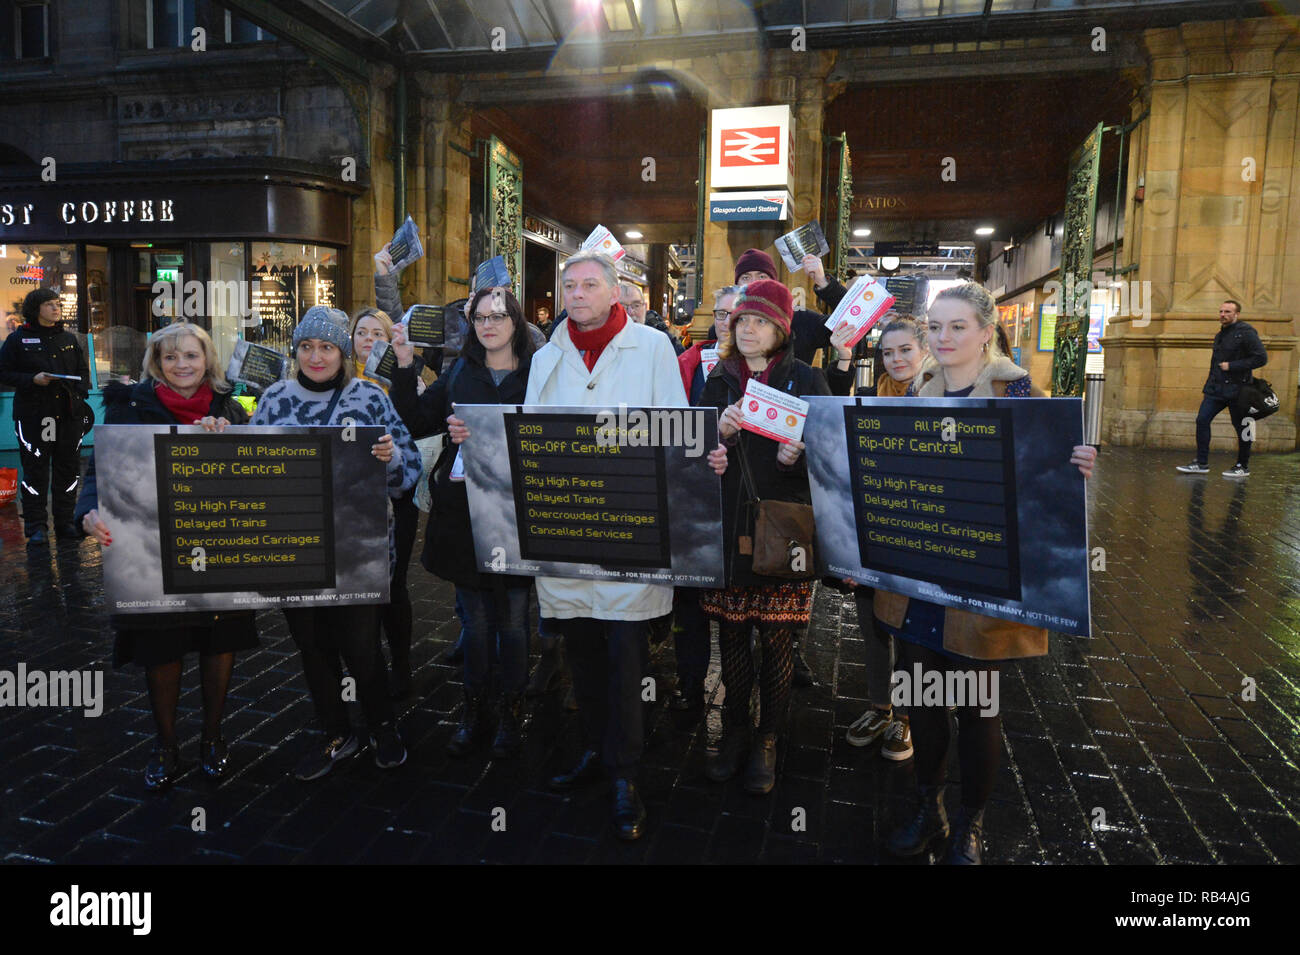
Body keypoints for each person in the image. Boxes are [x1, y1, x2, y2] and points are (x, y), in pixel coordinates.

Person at [449, 250, 726, 840]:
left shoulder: (651, 348)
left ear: (615, 291)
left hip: (631, 530)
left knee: (627, 657)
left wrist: (703, 459)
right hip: (569, 529)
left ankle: (626, 774)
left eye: (589, 283)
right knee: (582, 655)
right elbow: (526, 429)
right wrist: (475, 433)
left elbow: (675, 430)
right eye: (568, 284)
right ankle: (596, 752)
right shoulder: (547, 354)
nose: (577, 293)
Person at [878, 282, 1096, 864]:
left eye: (956, 327)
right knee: (922, 700)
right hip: (920, 574)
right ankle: (930, 807)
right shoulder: (917, 389)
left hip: (981, 581)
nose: (943, 338)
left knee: (977, 709)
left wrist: (1076, 462)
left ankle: (970, 823)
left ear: (984, 332)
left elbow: (1046, 473)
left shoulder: (1017, 391)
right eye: (936, 327)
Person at [77, 323, 258, 791]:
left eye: (191, 356)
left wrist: (227, 439)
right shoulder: (126, 408)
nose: (182, 365)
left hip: (217, 545)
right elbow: (98, 471)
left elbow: (254, 477)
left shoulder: (230, 408)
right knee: (162, 647)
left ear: (207, 360)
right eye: (171, 357)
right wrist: (86, 514)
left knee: (219, 642)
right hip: (149, 547)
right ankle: (166, 742)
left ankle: (214, 737)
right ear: (156, 362)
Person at [250, 306, 421, 780]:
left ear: (342, 352)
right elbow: (249, 471)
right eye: (306, 346)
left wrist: (388, 460)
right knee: (313, 646)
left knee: (362, 647)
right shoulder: (274, 400)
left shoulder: (369, 397)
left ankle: (383, 725)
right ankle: (336, 731)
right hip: (295, 549)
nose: (316, 356)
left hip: (359, 550)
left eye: (326, 347)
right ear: (296, 351)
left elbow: (409, 469)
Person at [389, 285, 536, 758]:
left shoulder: (541, 372)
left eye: (498, 316)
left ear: (516, 321)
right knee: (474, 621)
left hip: (517, 513)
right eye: (479, 318)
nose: (488, 325)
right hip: (464, 512)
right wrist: (404, 362)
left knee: (513, 621)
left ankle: (512, 712)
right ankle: (476, 710)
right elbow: (412, 419)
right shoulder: (457, 373)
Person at [700, 279, 831, 795]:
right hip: (729, 528)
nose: (747, 328)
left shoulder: (806, 380)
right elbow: (692, 449)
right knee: (730, 637)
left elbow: (831, 454)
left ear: (780, 329)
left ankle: (769, 738)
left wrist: (798, 459)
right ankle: (734, 731)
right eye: (741, 321)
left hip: (783, 527)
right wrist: (716, 438)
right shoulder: (719, 379)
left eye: (759, 321)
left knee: (776, 640)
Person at [835, 315, 929, 761]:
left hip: (923, 534)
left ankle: (907, 718)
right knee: (873, 623)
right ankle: (879, 706)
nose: (896, 360)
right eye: (887, 352)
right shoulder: (867, 398)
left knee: (912, 629)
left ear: (923, 349)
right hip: (874, 530)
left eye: (905, 350)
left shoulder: (940, 397)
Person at [349, 306, 421, 697]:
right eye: (362, 332)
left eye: (378, 333)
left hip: (395, 497)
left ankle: (402, 664)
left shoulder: (402, 381)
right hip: (352, 500)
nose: (369, 340)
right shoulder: (337, 381)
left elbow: (414, 425)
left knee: (393, 585)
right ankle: (364, 664)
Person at [0, 287, 90, 545]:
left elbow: (83, 373)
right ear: (35, 309)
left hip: (68, 415)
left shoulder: (69, 339)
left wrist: (80, 392)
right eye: (50, 304)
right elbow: (3, 372)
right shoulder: (18, 340)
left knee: (68, 469)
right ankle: (36, 526)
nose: (56, 308)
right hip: (35, 415)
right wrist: (31, 379)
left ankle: (65, 523)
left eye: (57, 303)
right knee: (36, 469)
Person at [1175, 300, 1266, 478]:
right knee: (1202, 420)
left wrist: (1232, 366)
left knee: (1243, 427)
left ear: (1236, 314)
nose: (1223, 314)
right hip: (1216, 389)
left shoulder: (1246, 333)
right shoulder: (1221, 334)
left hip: (1239, 390)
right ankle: (1201, 463)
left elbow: (1261, 358)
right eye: (1221, 311)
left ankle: (1242, 465)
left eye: (1227, 312)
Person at [620, 281, 681, 354]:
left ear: (645, 307)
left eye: (636, 305)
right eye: (622, 307)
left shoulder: (660, 340)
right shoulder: (605, 341)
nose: (630, 312)